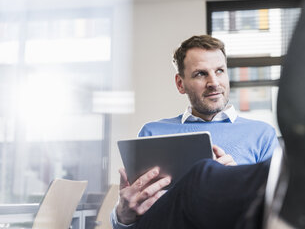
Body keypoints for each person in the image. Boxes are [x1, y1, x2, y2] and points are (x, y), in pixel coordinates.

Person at [111, 35, 279, 228]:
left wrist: (236, 182)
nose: (214, 82)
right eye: (201, 74)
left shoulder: (262, 134)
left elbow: (277, 211)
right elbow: (137, 217)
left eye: (220, 71)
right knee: (203, 173)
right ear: (180, 84)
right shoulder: (152, 132)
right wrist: (122, 216)